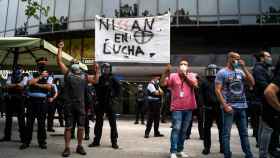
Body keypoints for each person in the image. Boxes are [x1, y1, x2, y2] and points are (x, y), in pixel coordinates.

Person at [57, 40, 99, 157]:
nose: (75, 63)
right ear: (71, 65)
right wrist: (60, 48)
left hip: (80, 106)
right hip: (69, 106)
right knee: (68, 127)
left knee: (81, 127)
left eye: (76, 62)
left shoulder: (84, 76)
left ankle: (79, 146)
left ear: (80, 66)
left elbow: (96, 80)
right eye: (73, 62)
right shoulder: (67, 74)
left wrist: (97, 71)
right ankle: (67, 148)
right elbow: (59, 61)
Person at [215, 51, 254, 158]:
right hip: (229, 107)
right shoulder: (222, 73)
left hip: (242, 106)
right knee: (226, 134)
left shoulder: (240, 72)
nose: (237, 60)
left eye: (239, 58)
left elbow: (252, 83)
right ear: (229, 58)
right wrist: (225, 105)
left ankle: (248, 154)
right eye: (235, 58)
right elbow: (217, 90)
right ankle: (227, 155)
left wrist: (244, 68)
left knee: (244, 133)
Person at [160, 59, 198, 158]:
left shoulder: (191, 75)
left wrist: (185, 76)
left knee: (184, 130)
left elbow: (195, 85)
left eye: (185, 64)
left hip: (189, 107)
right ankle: (173, 151)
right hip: (176, 108)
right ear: (178, 66)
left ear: (188, 67)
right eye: (181, 64)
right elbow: (162, 84)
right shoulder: (173, 76)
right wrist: (165, 72)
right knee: (176, 128)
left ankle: (180, 150)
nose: (183, 65)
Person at [88, 63, 120, 149]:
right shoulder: (100, 78)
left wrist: (114, 97)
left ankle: (114, 142)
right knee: (98, 123)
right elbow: (95, 85)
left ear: (110, 69)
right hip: (101, 103)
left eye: (107, 68)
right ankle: (96, 141)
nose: (106, 69)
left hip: (110, 103)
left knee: (113, 124)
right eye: (104, 68)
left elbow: (118, 90)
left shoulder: (113, 79)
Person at [20, 66, 53, 150]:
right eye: (40, 69)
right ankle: (26, 142)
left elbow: (49, 87)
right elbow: (30, 83)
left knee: (41, 123)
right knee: (29, 123)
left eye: (43, 70)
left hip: (42, 102)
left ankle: (42, 142)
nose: (42, 71)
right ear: (38, 70)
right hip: (31, 102)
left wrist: (37, 84)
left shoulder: (49, 76)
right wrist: (41, 77)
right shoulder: (32, 75)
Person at [0, 65, 28, 143]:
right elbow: (7, 85)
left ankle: (23, 138)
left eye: (20, 69)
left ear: (22, 70)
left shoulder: (25, 77)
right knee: (8, 119)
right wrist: (16, 85)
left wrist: (12, 86)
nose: (18, 70)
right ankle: (7, 136)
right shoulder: (10, 76)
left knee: (21, 120)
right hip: (10, 100)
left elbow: (21, 86)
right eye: (17, 69)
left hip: (20, 100)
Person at [259, 57, 280, 158]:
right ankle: (263, 155)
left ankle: (271, 151)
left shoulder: (274, 72)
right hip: (271, 107)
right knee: (268, 130)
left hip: (271, 107)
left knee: (271, 132)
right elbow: (268, 92)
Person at [201, 64, 223, 155]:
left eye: (213, 70)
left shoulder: (220, 81)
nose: (212, 72)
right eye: (210, 70)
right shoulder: (204, 82)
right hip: (208, 108)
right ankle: (207, 147)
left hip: (219, 107)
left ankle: (223, 147)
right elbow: (201, 95)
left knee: (222, 128)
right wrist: (203, 105)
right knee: (206, 129)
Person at [252, 51, 273, 146]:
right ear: (262, 58)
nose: (270, 58)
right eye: (268, 56)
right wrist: (273, 90)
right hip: (260, 101)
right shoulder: (258, 69)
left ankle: (262, 145)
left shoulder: (265, 69)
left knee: (263, 125)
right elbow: (263, 84)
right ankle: (262, 149)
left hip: (264, 100)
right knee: (264, 126)